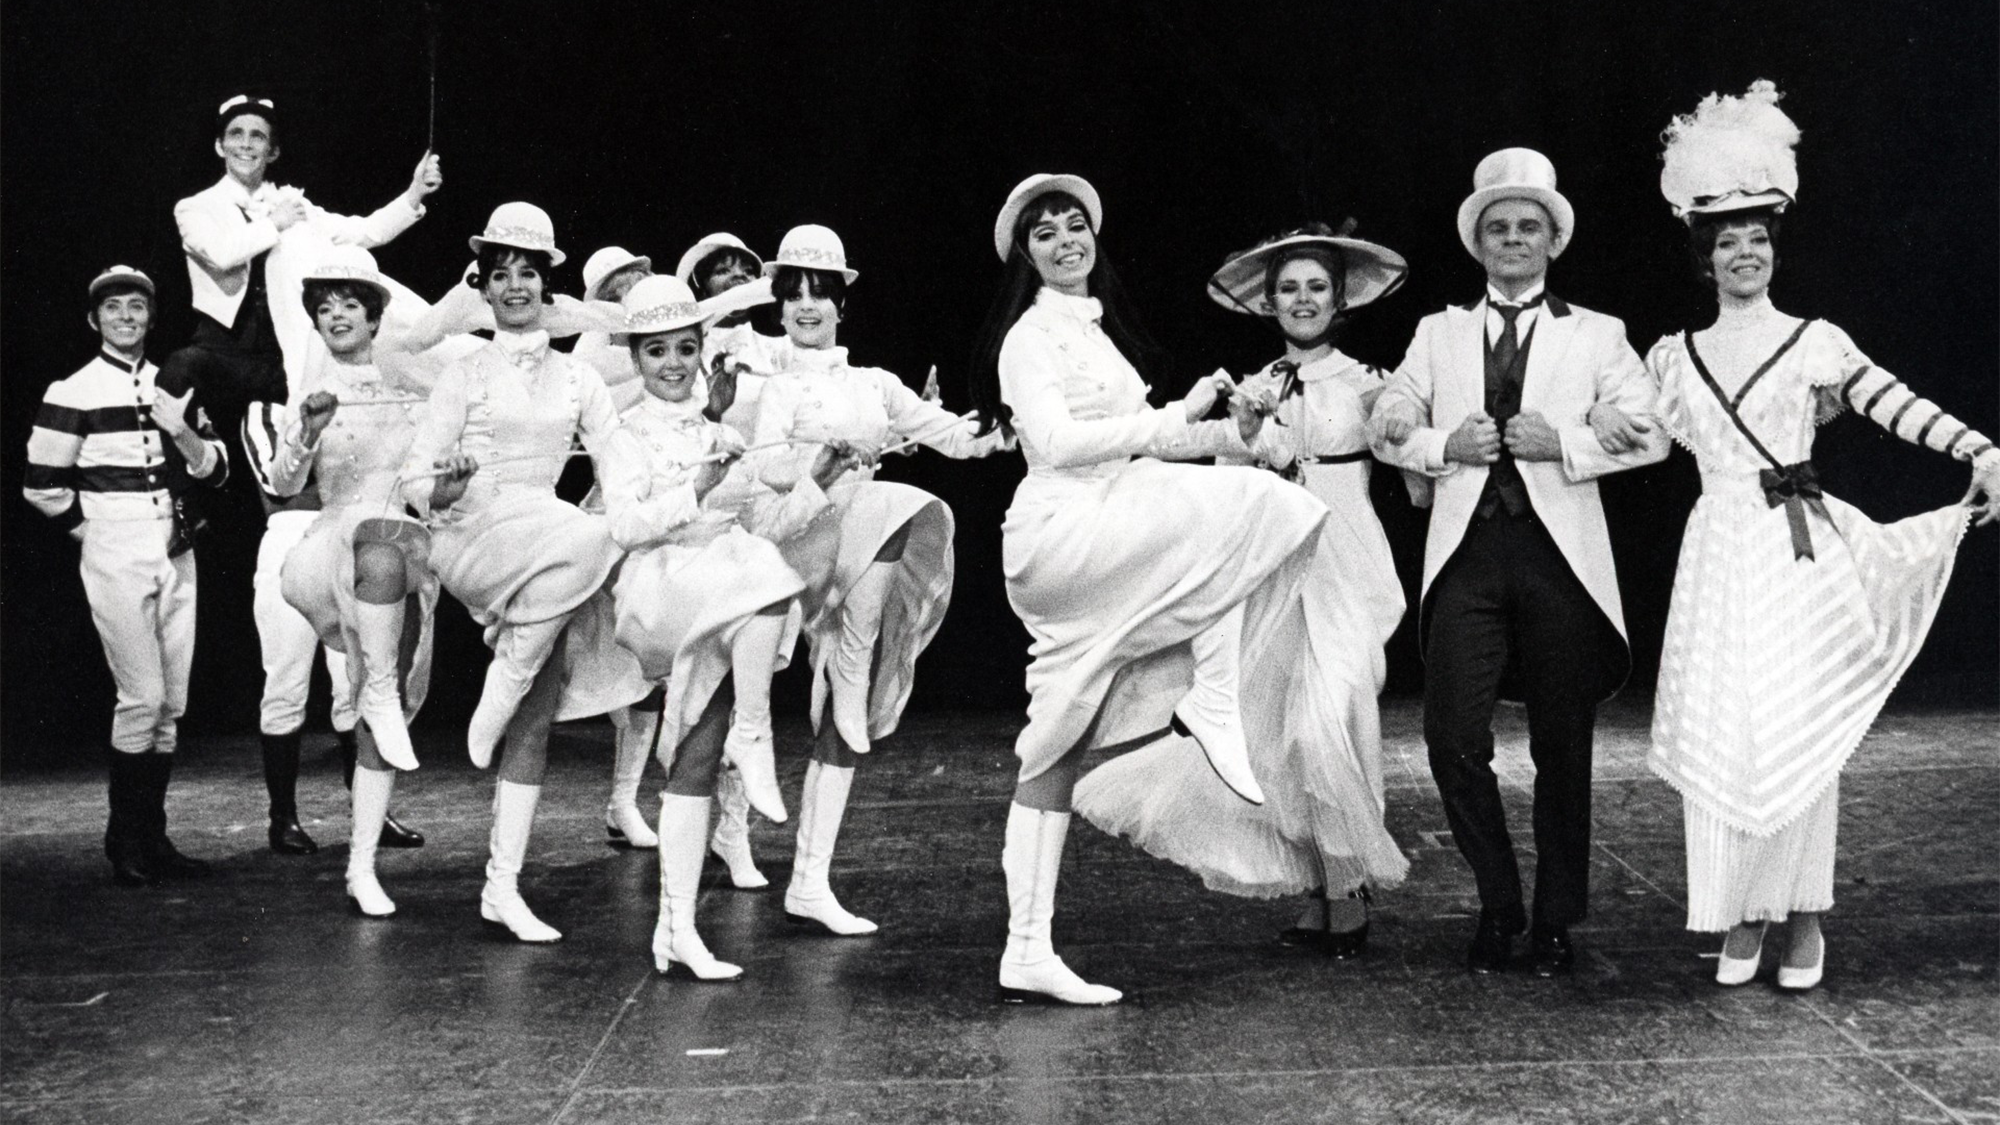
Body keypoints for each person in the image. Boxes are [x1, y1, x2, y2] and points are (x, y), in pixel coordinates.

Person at [1627, 82, 2000, 991]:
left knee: (1796, 728)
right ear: (1703, 258)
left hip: (1795, 553)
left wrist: (1982, 446)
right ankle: (1739, 914)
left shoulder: (1813, 340)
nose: (1744, 253)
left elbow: (1893, 402)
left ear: (1773, 249)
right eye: (1726, 242)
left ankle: (1804, 918)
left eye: (1757, 239)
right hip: (1718, 553)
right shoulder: (1673, 357)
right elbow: (1625, 434)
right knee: (1732, 726)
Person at [967, 174, 1326, 1004]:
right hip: (1065, 529)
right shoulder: (1029, 336)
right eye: (1046, 234)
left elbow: (1152, 445)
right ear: (1026, 255)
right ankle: (1215, 694)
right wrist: (1172, 423)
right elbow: (1057, 443)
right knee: (1247, 506)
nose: (1066, 241)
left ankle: (1026, 946)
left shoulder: (1096, 334)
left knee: (1052, 744)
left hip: (1115, 512)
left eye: (1074, 226)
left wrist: (1227, 426)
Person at [1074, 223, 1414, 955]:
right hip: (1277, 564)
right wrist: (1249, 432)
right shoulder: (1253, 384)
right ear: (1269, 301)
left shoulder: (1370, 380)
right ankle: (1329, 889)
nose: (1302, 299)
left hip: (1344, 560)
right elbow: (1231, 485)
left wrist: (1402, 418)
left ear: (1338, 299)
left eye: (1316, 286)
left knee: (1333, 713)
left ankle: (1348, 883)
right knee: (1286, 730)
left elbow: (1414, 476)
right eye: (1288, 287)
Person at [1371, 149, 1668, 976]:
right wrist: (1438, 441)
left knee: (1562, 746)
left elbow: (1653, 433)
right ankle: (1498, 899)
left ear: (1552, 240)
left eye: (1527, 226)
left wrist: (1566, 441)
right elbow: (1388, 418)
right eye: (1498, 227)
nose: (1513, 239)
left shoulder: (1599, 333)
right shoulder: (1439, 331)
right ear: (1479, 243)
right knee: (1453, 736)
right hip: (1469, 554)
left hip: (1559, 558)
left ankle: (1555, 918)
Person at [749, 224, 1011, 937]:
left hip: (861, 537)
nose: (808, 305)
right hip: (800, 541)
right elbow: (768, 480)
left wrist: (1006, 418)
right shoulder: (774, 389)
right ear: (779, 304)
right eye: (795, 292)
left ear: (841, 302)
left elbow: (954, 437)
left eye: (821, 292)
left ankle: (809, 878)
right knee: (736, 703)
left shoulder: (874, 384)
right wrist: (821, 468)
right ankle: (726, 839)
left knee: (847, 697)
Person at [398, 202, 647, 942]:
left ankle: (500, 886)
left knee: (534, 719)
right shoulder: (464, 371)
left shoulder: (579, 377)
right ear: (485, 287)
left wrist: (654, 504)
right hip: (473, 531)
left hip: (543, 556)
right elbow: (417, 477)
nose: (514, 286)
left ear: (548, 284)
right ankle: (501, 680)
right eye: (501, 274)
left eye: (527, 273)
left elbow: (617, 459)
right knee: (591, 535)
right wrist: (442, 483)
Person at [600, 275, 855, 978]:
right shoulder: (624, 438)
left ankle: (674, 929)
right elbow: (623, 525)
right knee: (765, 576)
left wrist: (817, 482)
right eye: (657, 352)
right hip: (662, 586)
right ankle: (756, 728)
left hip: (723, 591)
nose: (674, 363)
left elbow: (764, 526)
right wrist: (696, 490)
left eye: (685, 347)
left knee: (695, 758)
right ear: (637, 358)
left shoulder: (721, 434)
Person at [256, 246, 455, 915]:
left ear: (374, 318)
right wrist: (305, 435)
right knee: (378, 686)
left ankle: (361, 866)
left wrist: (447, 485)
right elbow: (282, 485)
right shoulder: (313, 394)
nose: (335, 314)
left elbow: (425, 487)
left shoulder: (416, 390)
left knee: (385, 706)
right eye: (324, 306)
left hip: (395, 559)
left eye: (349, 304)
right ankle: (375, 691)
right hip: (329, 548)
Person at [24, 266, 230, 885]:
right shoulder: (74, 389)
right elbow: (41, 487)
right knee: (141, 697)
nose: (126, 318)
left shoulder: (177, 384)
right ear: (95, 320)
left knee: (171, 703)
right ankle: (125, 841)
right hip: (115, 543)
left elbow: (215, 471)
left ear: (150, 316)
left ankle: (154, 839)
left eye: (136, 307)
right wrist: (99, 535)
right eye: (113, 309)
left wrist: (181, 431)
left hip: (176, 543)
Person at [162, 94, 441, 414]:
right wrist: (275, 223)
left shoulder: (294, 205)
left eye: (258, 136)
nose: (246, 144)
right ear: (219, 145)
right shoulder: (196, 207)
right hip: (223, 347)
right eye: (236, 134)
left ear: (273, 151)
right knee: (181, 367)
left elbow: (363, 232)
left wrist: (414, 193)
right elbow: (222, 253)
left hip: (286, 351)